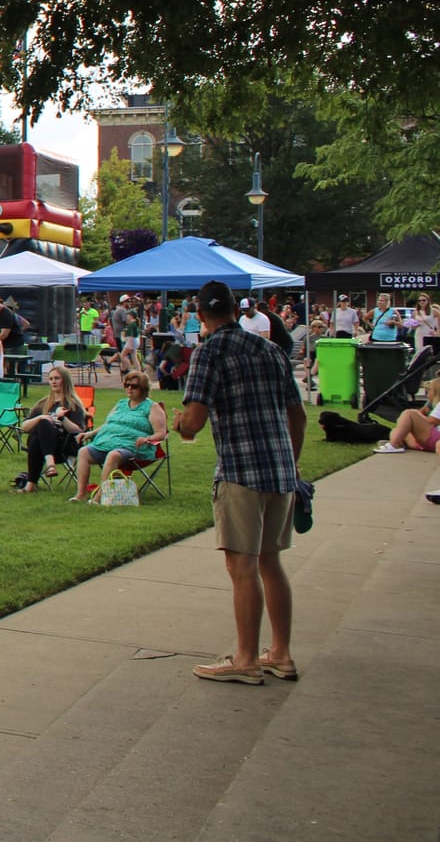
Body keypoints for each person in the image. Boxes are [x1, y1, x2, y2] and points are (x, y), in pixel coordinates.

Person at [173, 278, 307, 684]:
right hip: (281, 470)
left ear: (200, 315)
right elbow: (298, 416)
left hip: (239, 470)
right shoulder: (271, 350)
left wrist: (180, 423)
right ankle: (280, 654)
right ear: (236, 309)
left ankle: (246, 659)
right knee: (271, 561)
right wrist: (292, 465)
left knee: (241, 565)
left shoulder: (208, 351)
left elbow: (194, 423)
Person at [68, 370, 167, 501]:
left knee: (113, 455)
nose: (129, 388)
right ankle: (81, 494)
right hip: (107, 443)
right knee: (83, 452)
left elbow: (161, 433)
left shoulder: (152, 407)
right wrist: (90, 433)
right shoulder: (121, 404)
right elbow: (108, 424)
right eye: (127, 385)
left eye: (134, 386)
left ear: (144, 389)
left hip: (133, 448)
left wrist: (147, 439)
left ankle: (99, 497)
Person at [14, 364, 90, 492]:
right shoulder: (43, 403)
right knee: (40, 428)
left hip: (64, 446)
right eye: (51, 379)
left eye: (57, 378)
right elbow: (24, 427)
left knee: (40, 431)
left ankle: (34, 482)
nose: (53, 382)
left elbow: (78, 430)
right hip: (42, 447)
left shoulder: (73, 403)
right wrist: (40, 417)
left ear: (65, 381)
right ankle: (47, 468)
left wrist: (62, 418)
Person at [375, 377, 440, 456]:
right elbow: (423, 413)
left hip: (436, 439)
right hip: (431, 441)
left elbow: (432, 422)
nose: (427, 394)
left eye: (429, 391)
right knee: (397, 431)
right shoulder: (432, 405)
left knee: (408, 414)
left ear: (436, 393)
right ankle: (398, 442)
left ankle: (393, 445)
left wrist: (416, 417)